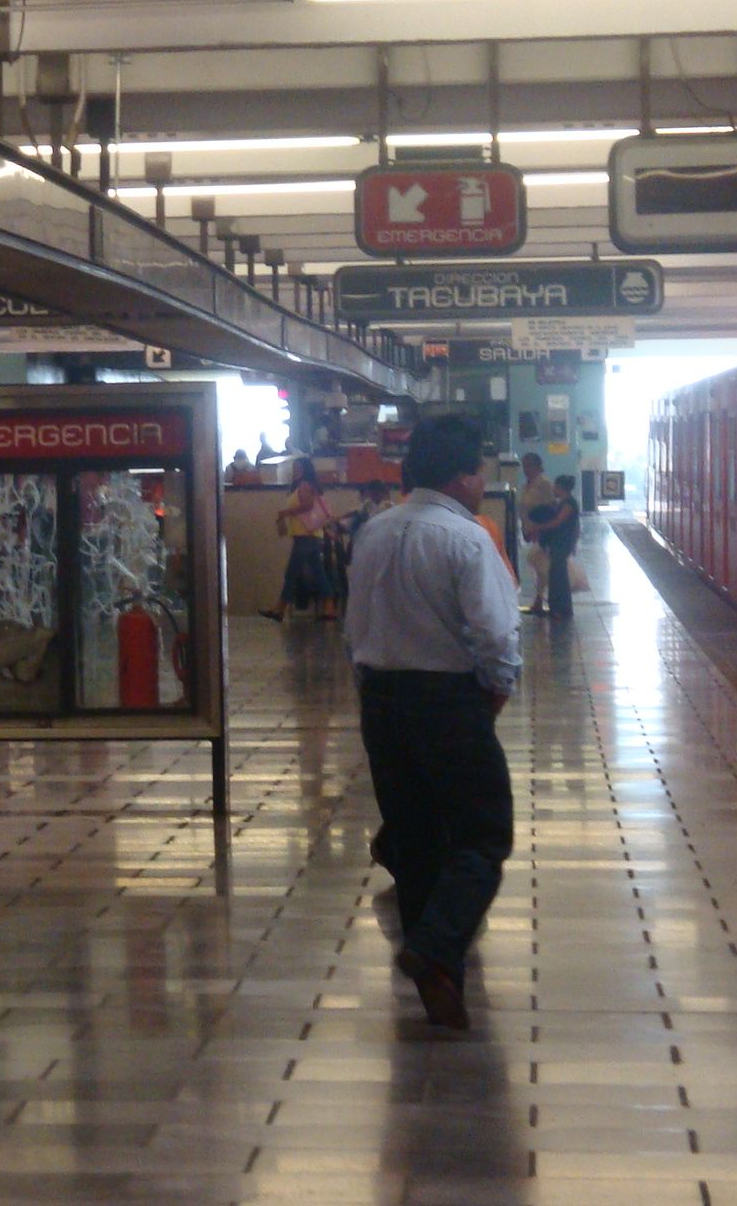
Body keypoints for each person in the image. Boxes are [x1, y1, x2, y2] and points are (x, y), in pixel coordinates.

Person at [344, 415, 520, 1033]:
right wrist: (493, 695)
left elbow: (355, 627)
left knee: (415, 838)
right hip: (448, 701)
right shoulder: (467, 538)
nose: (483, 482)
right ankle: (437, 946)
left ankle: (438, 975)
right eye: (480, 471)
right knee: (483, 835)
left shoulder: (373, 531)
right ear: (462, 476)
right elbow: (496, 635)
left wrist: (370, 691)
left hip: (381, 702)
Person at [271, 458, 338, 621]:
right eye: (294, 468)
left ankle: (280, 608)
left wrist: (285, 513)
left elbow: (308, 505)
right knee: (318, 572)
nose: (295, 471)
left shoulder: (304, 485)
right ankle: (329, 607)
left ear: (305, 469)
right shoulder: (307, 485)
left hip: (305, 535)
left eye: (298, 468)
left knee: (292, 572)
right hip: (311, 534)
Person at [519, 452, 580, 621]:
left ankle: (557, 607)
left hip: (554, 538)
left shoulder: (547, 487)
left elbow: (555, 518)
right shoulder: (528, 486)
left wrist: (539, 527)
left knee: (554, 573)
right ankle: (550, 605)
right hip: (544, 535)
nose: (525, 469)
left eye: (528, 466)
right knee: (550, 570)